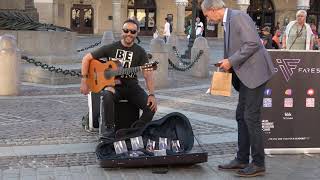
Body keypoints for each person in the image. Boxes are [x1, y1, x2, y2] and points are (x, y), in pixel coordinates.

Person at [201, 0, 275, 177]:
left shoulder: (238, 16)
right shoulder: (229, 20)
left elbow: (252, 44)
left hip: (255, 74)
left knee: (251, 117)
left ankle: (258, 163)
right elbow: (239, 46)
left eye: (206, 15)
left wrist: (230, 61)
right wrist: (226, 62)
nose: (207, 18)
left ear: (213, 10)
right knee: (241, 116)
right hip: (245, 75)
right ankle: (242, 158)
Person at [80, 19, 157, 138]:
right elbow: (86, 58)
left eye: (133, 31)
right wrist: (84, 80)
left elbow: (148, 74)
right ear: (122, 31)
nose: (129, 34)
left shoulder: (140, 52)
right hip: (114, 87)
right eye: (126, 30)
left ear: (137, 33)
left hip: (132, 87)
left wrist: (152, 94)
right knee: (107, 94)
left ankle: (134, 131)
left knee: (151, 108)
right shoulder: (111, 48)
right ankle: (109, 130)